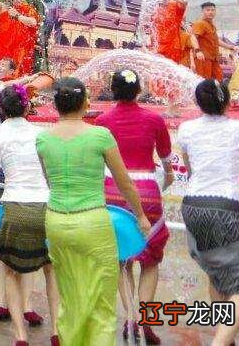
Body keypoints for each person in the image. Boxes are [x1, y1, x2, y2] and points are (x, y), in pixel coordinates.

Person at [35, 78, 150, 345]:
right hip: (92, 223)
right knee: (101, 302)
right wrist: (141, 216)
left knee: (70, 297)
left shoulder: (43, 139)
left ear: (56, 104)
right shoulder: (99, 136)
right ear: (85, 102)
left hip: (56, 223)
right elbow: (124, 183)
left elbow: (50, 182)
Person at [177, 79, 239, 346]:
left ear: (199, 103)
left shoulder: (186, 129)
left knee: (216, 275)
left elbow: (191, 168)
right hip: (225, 208)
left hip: (193, 206)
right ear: (227, 101)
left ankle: (223, 337)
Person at [95, 69, 174, 345]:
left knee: (121, 258)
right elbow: (167, 161)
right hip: (147, 194)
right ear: (138, 90)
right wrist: (165, 180)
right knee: (151, 261)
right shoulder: (154, 119)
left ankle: (128, 315)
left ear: (113, 90)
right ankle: (145, 318)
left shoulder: (102, 122)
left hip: (112, 195)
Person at [0, 84, 58, 346]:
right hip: (45, 207)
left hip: (14, 208)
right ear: (26, 106)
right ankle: (57, 331)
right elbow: (51, 174)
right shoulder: (41, 133)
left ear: (1, 109)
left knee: (12, 271)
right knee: (50, 270)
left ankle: (20, 336)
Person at [191, 2, 235, 81]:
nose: (210, 12)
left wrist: (231, 47)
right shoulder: (200, 23)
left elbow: (216, 40)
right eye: (208, 10)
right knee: (204, 82)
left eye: (212, 10)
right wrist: (198, 51)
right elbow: (193, 37)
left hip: (214, 59)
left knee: (218, 80)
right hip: (203, 58)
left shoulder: (211, 25)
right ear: (202, 12)